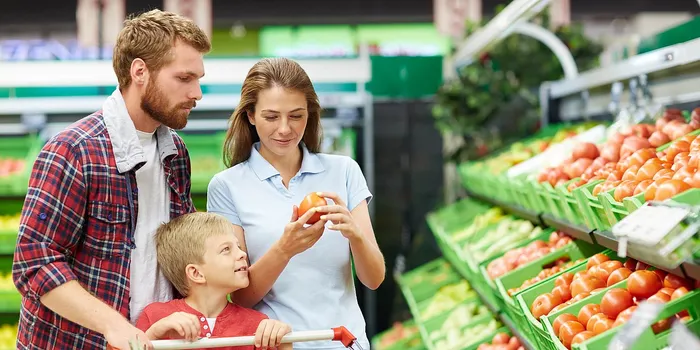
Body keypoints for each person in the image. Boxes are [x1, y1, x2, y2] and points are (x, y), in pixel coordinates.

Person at [11, 9, 210, 350]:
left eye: (198, 79)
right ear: (139, 72)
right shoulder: (73, 151)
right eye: (184, 78)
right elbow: (35, 263)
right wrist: (114, 326)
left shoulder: (174, 151)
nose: (197, 93)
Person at [207, 57, 385, 350]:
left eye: (296, 115)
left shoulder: (343, 171)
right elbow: (239, 296)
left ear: (310, 115)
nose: (285, 129)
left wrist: (354, 234)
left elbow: (374, 279)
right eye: (271, 116)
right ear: (250, 115)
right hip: (280, 345)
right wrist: (285, 248)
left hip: (344, 342)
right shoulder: (227, 186)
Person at [136, 212, 293, 350]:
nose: (242, 254)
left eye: (238, 247)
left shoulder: (258, 324)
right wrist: (153, 334)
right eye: (226, 249)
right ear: (196, 273)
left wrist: (284, 343)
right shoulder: (155, 316)